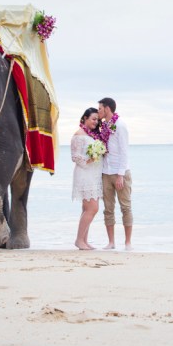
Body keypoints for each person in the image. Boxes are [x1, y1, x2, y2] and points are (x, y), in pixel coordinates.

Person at [97, 97, 132, 250]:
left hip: (120, 172)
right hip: (106, 172)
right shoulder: (104, 126)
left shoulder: (120, 125)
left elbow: (125, 152)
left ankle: (128, 243)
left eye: (100, 108)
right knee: (108, 208)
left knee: (125, 207)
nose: (98, 111)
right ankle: (111, 243)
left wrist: (120, 175)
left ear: (107, 109)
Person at [70, 107, 104, 250]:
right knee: (93, 208)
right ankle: (79, 240)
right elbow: (75, 157)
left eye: (97, 120)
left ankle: (84, 240)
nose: (95, 122)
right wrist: (90, 159)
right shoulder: (79, 134)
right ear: (84, 118)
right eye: (93, 119)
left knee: (86, 209)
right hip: (84, 174)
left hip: (93, 174)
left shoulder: (91, 135)